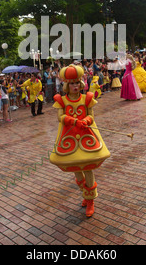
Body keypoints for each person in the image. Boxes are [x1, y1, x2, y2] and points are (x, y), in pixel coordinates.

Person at [49, 64, 111, 218]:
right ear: (66, 85)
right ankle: (85, 194)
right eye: (72, 83)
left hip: (86, 137)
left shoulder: (87, 98)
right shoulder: (61, 100)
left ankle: (90, 200)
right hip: (68, 138)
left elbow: (91, 115)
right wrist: (72, 120)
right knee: (76, 171)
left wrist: (86, 120)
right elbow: (60, 117)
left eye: (77, 83)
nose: (75, 86)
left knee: (88, 168)